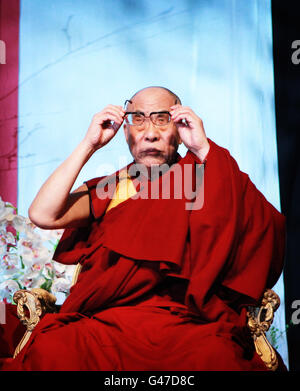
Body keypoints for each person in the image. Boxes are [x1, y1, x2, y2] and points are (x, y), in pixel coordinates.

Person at [1, 86, 286, 371]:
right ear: (125, 132)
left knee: (217, 357)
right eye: (138, 119)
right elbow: (43, 214)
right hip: (107, 322)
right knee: (55, 350)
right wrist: (89, 144)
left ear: (180, 129)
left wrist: (203, 148)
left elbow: (265, 229)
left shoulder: (206, 179)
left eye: (162, 119)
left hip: (185, 324)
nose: (150, 133)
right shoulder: (114, 186)